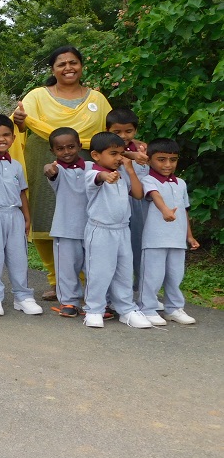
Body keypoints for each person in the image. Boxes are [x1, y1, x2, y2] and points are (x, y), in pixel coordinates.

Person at [12, 46, 112, 301]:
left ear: (81, 66)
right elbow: (20, 127)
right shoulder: (37, 96)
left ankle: (87, 282)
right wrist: (20, 122)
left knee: (86, 220)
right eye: (61, 64)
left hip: (87, 163)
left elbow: (112, 132)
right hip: (44, 160)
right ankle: (57, 281)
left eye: (73, 62)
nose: (68, 68)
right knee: (45, 218)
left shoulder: (98, 99)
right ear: (53, 69)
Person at [0, 115, 42, 317]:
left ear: (13, 138)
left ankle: (23, 296)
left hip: (14, 214)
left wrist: (26, 217)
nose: (1, 139)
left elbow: (22, 192)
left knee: (18, 256)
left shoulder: (16, 166)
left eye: (5, 135)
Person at [82, 133, 151, 328]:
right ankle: (94, 309)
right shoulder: (92, 173)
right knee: (100, 271)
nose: (119, 158)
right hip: (100, 230)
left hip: (122, 230)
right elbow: (99, 177)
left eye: (121, 153)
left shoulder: (122, 173)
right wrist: (107, 176)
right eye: (113, 154)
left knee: (124, 271)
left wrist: (129, 169)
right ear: (96, 155)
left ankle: (126, 309)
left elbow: (138, 194)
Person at [137, 139, 199, 326]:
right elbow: (155, 195)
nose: (168, 164)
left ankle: (173, 308)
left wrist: (189, 236)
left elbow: (184, 210)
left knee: (175, 275)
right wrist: (164, 210)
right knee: (152, 276)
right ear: (149, 160)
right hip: (154, 239)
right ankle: (147, 309)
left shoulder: (181, 183)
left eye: (173, 160)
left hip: (177, 239)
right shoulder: (148, 180)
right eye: (161, 159)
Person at [42, 128, 92, 318]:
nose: (66, 152)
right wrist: (49, 168)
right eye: (60, 148)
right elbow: (50, 172)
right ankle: (69, 302)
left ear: (80, 146)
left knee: (95, 267)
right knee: (67, 268)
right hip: (65, 228)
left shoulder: (92, 167)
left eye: (71, 147)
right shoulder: (57, 170)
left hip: (92, 227)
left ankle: (97, 302)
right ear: (53, 151)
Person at [106, 108, 150, 289]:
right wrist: (132, 155)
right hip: (115, 207)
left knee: (141, 245)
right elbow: (119, 153)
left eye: (129, 131)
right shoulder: (105, 149)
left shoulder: (143, 150)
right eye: (117, 132)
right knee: (116, 251)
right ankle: (115, 292)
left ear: (136, 131)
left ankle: (143, 289)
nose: (123, 136)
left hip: (141, 205)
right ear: (107, 130)